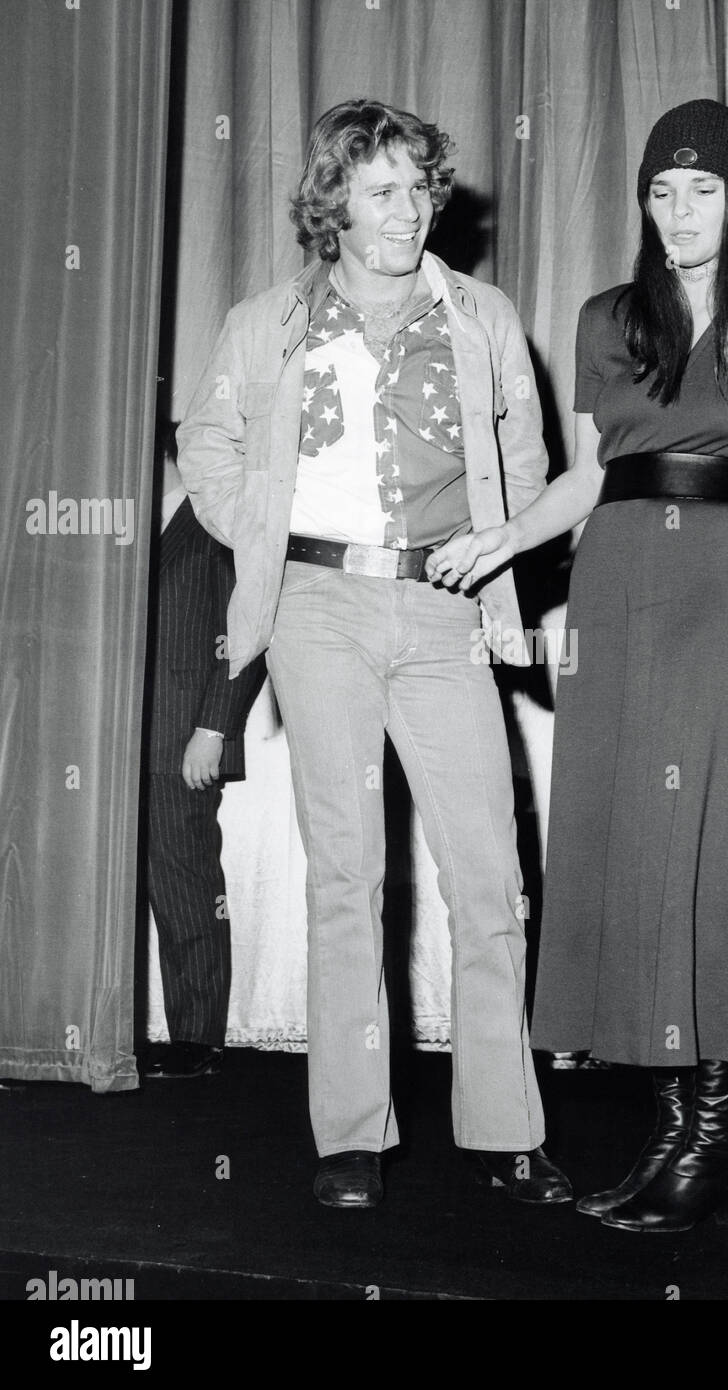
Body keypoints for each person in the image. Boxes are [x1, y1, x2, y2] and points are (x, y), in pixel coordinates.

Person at [427, 99, 728, 1232]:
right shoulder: (608, 318)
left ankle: (715, 1137)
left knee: (710, 848)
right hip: (616, 579)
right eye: (658, 191)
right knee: (629, 845)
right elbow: (596, 475)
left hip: (723, 586)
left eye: (699, 191)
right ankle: (676, 1133)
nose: (677, 213)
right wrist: (506, 535)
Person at [176, 99, 571, 1209]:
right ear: (334, 204)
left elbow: (529, 462)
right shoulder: (270, 320)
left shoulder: (480, 314)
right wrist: (254, 528)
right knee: (349, 874)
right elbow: (207, 437)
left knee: (489, 875)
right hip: (317, 609)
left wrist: (498, 550)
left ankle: (503, 1129)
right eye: (383, 191)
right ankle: (352, 1135)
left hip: (446, 611)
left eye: (421, 189)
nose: (410, 212)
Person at [143, 422, 265, 1080]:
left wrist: (214, 728)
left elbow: (248, 630)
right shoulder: (119, 522)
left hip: (181, 738)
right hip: (111, 745)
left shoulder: (218, 518)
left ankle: (197, 1039)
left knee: (186, 887)